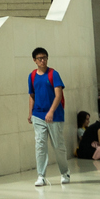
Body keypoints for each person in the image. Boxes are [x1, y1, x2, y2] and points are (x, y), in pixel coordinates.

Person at [28, 48, 69, 186]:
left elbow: (58, 95)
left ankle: (65, 172)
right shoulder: (32, 76)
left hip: (54, 115)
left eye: (45, 57)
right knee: (40, 145)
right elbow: (32, 95)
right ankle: (41, 176)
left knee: (58, 146)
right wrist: (30, 113)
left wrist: (51, 112)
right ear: (34, 60)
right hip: (38, 115)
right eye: (39, 58)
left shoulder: (53, 74)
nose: (43, 60)